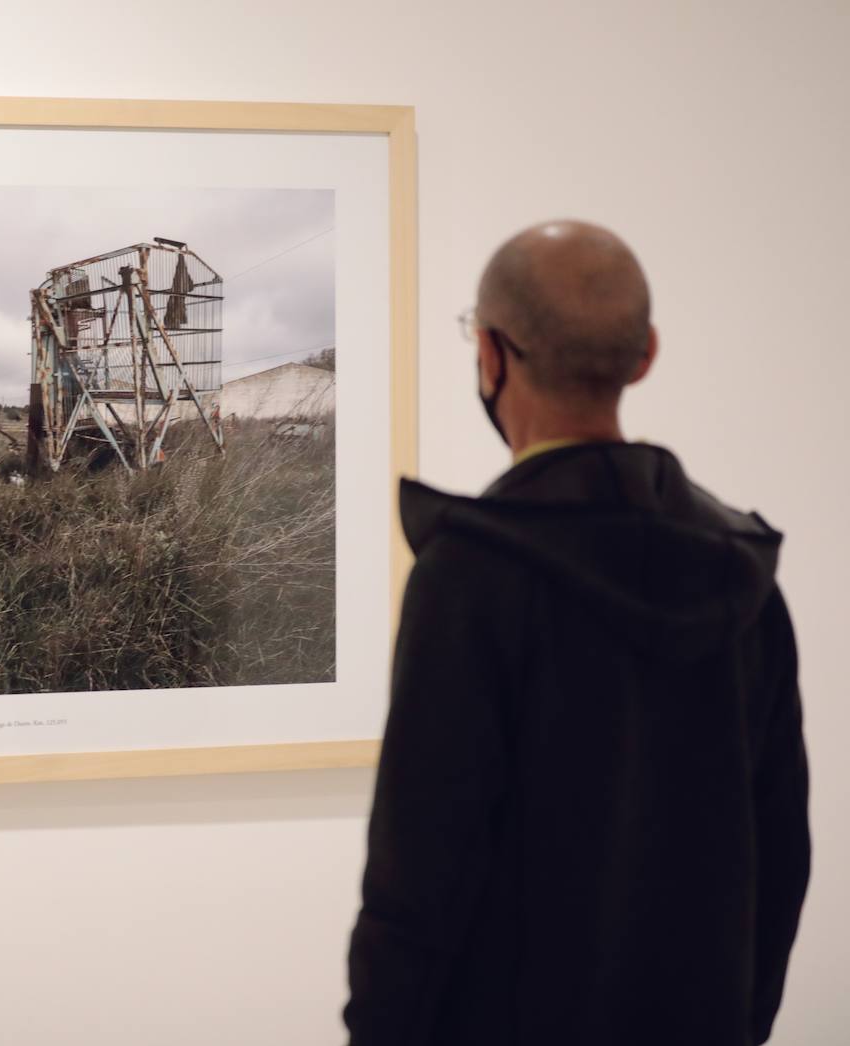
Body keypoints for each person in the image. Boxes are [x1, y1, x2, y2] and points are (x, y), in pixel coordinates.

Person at [344, 220, 811, 1046]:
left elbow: (417, 882)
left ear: (489, 354)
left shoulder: (470, 576)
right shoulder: (743, 573)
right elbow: (781, 859)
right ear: (645, 355)